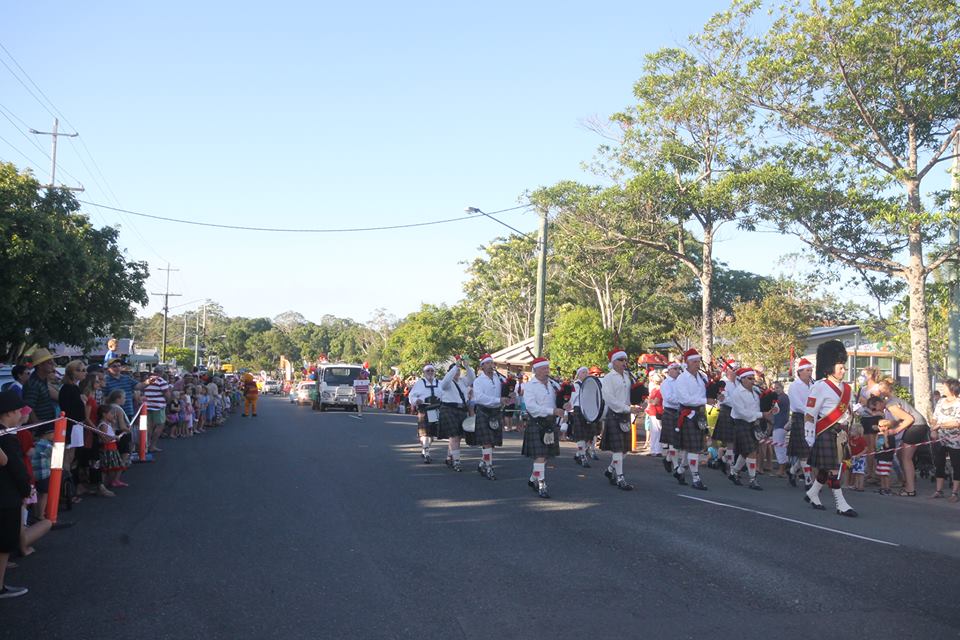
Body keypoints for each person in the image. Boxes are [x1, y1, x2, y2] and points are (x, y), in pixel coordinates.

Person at [804, 340, 857, 517]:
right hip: (826, 431)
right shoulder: (819, 387)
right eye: (840, 367)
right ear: (829, 368)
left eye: (844, 366)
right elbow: (810, 413)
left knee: (828, 468)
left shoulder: (847, 388)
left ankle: (812, 493)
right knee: (834, 469)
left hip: (841, 432)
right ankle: (841, 504)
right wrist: (809, 434)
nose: (844, 370)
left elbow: (848, 411)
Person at [0, 390, 32, 599]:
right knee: (3, 545)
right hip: (6, 495)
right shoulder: (6, 438)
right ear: (9, 412)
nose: (21, 414)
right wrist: (25, 489)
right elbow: (14, 468)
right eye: (19, 411)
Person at [875, 379, 929, 497]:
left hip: (916, 426)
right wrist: (888, 426)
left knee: (906, 458)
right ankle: (907, 482)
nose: (875, 410)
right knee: (900, 455)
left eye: (875, 406)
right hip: (916, 426)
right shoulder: (893, 402)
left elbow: (909, 419)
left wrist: (895, 431)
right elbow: (898, 420)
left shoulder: (891, 405)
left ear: (881, 401)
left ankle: (910, 489)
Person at [522, 357, 564, 498]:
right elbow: (531, 407)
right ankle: (541, 484)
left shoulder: (552, 385)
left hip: (550, 423)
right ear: (536, 370)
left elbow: (557, 402)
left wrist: (564, 406)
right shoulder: (530, 386)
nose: (547, 371)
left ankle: (533, 479)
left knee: (545, 457)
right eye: (544, 368)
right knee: (540, 456)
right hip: (537, 423)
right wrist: (552, 411)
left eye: (547, 368)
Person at [600, 349, 641, 491]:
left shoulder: (628, 376)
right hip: (615, 414)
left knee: (624, 450)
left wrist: (639, 402)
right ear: (613, 362)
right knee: (618, 449)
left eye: (625, 360)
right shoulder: (608, 378)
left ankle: (610, 470)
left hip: (625, 414)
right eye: (621, 360)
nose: (624, 362)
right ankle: (620, 478)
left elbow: (631, 395)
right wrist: (627, 408)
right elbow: (609, 399)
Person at [728, 367, 773, 491]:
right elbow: (743, 413)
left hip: (753, 422)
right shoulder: (737, 393)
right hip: (741, 423)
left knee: (746, 452)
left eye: (753, 378)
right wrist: (762, 415)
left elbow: (761, 405)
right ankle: (752, 479)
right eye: (749, 378)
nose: (752, 380)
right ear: (742, 379)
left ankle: (734, 473)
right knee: (752, 451)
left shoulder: (756, 391)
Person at [470, 354, 512, 480]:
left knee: (491, 443)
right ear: (482, 366)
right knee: (487, 442)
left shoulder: (498, 379)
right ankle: (489, 467)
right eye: (487, 363)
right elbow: (479, 398)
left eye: (491, 363)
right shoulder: (478, 381)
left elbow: (503, 394)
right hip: (484, 412)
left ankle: (483, 463)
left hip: (495, 412)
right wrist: (498, 399)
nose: (490, 366)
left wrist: (509, 398)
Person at [672, 349, 709, 489]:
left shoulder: (701, 377)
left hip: (699, 414)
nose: (697, 364)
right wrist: (705, 400)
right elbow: (684, 399)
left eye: (698, 361)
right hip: (688, 414)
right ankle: (696, 478)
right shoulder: (682, 379)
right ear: (687, 363)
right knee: (693, 448)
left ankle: (680, 471)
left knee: (692, 447)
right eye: (694, 361)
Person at [57, 360, 87, 504]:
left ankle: (70, 488)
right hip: (71, 426)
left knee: (72, 458)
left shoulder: (74, 388)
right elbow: (70, 410)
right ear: (72, 372)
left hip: (77, 425)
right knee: (67, 460)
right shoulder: (68, 388)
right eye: (80, 370)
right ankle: (66, 491)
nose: (83, 373)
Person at [439, 357, 474, 472]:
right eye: (456, 371)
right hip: (449, 409)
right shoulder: (446, 383)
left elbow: (472, 378)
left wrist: (467, 366)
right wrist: (455, 367)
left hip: (461, 410)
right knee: (454, 436)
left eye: (459, 371)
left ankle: (450, 457)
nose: (458, 372)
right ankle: (456, 462)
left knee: (457, 437)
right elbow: (444, 383)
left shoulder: (463, 381)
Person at [786, 359, 815, 488]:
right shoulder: (794, 386)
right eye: (808, 370)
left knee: (808, 450)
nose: (810, 373)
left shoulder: (813, 385)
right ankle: (808, 481)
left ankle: (792, 471)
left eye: (811, 370)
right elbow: (797, 404)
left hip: (812, 419)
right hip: (800, 418)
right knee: (804, 452)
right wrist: (809, 412)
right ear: (800, 372)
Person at [930, 378, 960, 502]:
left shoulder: (958, 402)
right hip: (940, 438)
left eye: (945, 386)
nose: (943, 388)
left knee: (956, 465)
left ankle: (955, 493)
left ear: (952, 388)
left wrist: (940, 426)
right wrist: (933, 429)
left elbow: (957, 422)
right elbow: (935, 417)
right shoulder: (941, 401)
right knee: (939, 464)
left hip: (955, 439)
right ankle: (938, 490)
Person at [408, 364, 442, 463]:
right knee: (425, 433)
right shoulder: (420, 383)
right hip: (424, 409)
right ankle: (427, 453)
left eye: (432, 371)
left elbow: (444, 394)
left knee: (432, 435)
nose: (430, 373)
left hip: (436, 410)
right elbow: (411, 396)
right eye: (428, 371)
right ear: (424, 372)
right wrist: (416, 400)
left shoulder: (439, 383)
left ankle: (424, 449)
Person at [568, 367, 600, 467]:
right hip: (578, 409)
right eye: (583, 372)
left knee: (590, 434)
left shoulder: (590, 384)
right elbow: (573, 398)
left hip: (589, 410)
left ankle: (579, 454)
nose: (585, 374)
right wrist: (570, 409)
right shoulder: (576, 384)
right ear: (578, 374)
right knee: (581, 435)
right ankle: (582, 456)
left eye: (586, 372)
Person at [713, 363, 738, 474]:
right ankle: (731, 467)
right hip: (727, 412)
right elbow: (724, 399)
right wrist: (739, 402)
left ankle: (723, 460)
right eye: (734, 369)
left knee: (733, 442)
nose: (737, 372)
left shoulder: (738, 382)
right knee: (730, 442)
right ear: (728, 371)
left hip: (737, 413)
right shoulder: (723, 383)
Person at [22, 349, 58, 426]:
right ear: (40, 365)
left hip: (47, 425)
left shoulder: (42, 380)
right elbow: (28, 407)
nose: (53, 365)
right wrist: (37, 425)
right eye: (49, 363)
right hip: (41, 430)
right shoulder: (33, 384)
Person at [659, 361, 682, 474]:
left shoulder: (680, 382)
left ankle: (668, 460)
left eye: (679, 369)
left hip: (679, 412)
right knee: (673, 442)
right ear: (669, 370)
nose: (678, 371)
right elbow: (668, 398)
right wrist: (682, 400)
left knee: (677, 440)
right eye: (676, 369)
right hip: (669, 412)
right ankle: (676, 465)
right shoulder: (665, 383)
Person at [103, 358, 139, 423]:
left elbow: (139, 386)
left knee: (127, 432)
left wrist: (148, 382)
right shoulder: (105, 380)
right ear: (109, 368)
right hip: (114, 414)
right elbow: (103, 398)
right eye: (114, 366)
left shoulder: (127, 378)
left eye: (119, 366)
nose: (117, 368)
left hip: (128, 412)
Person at [142, 371, 170, 452]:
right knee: (160, 426)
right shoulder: (161, 381)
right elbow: (167, 394)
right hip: (158, 407)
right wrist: (167, 402)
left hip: (146, 407)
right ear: (160, 373)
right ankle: (152, 446)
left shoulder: (146, 381)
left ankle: (146, 446)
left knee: (149, 427)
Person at [770, 381, 791, 477]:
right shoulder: (780, 397)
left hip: (780, 425)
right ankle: (783, 469)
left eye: (777, 388)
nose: (775, 390)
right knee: (779, 446)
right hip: (779, 424)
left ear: (782, 388)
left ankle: (781, 470)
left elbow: (774, 407)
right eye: (774, 388)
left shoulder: (783, 397)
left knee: (779, 447)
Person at [644, 371, 664, 457]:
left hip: (657, 412)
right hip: (652, 411)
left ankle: (657, 450)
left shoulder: (659, 390)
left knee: (657, 431)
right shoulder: (654, 389)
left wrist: (648, 400)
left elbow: (656, 402)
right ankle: (653, 449)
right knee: (653, 431)